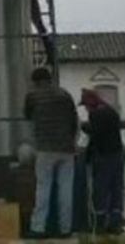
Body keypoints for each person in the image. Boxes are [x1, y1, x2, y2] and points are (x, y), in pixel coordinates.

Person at [24, 67, 78, 238]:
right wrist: (72, 141)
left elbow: (27, 115)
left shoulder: (32, 96)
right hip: (67, 149)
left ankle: (38, 228)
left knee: (43, 189)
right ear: (50, 79)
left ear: (36, 82)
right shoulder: (65, 94)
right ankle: (65, 229)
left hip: (45, 148)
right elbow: (74, 120)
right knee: (66, 190)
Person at [80, 89, 124, 234]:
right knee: (116, 188)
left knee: (101, 190)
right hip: (117, 154)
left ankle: (99, 223)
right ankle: (115, 222)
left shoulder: (96, 114)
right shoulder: (112, 111)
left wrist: (84, 127)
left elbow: (96, 135)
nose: (85, 109)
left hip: (103, 156)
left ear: (90, 103)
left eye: (85, 105)